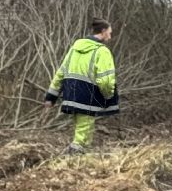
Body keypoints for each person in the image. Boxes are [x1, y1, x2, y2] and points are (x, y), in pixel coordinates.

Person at [42, 19, 119, 151]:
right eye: (110, 33)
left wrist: (51, 96)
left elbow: (61, 72)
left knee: (81, 126)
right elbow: (105, 80)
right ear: (103, 31)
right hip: (89, 94)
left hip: (71, 93)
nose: (110, 37)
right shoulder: (102, 51)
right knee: (83, 134)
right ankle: (74, 156)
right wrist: (108, 95)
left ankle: (80, 160)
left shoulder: (75, 48)